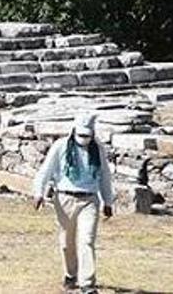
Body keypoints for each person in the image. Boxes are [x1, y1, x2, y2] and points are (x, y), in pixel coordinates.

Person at [32, 113, 115, 294]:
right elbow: (46, 170)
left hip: (89, 199)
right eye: (81, 135)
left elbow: (105, 176)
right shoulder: (60, 146)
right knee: (66, 242)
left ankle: (87, 283)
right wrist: (38, 192)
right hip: (65, 198)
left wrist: (108, 201)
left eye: (87, 136)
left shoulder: (98, 149)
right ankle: (71, 274)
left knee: (87, 240)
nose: (84, 139)